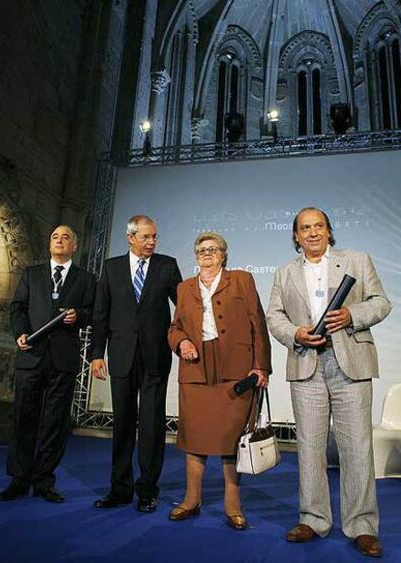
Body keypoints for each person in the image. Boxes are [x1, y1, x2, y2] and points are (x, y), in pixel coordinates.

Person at [266, 207, 392, 557]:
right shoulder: (284, 272)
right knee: (309, 447)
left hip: (350, 363)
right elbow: (274, 315)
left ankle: (362, 525)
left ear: (328, 230)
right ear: (295, 236)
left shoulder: (356, 260)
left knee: (356, 448)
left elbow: (381, 302)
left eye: (318, 226)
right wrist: (296, 333)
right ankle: (313, 518)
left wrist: (353, 315)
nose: (312, 232)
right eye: (304, 228)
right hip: (306, 365)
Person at [168, 232, 272, 530]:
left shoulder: (242, 279)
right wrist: (182, 342)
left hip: (234, 368)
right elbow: (174, 327)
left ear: (223, 254)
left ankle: (232, 502)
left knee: (231, 438)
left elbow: (257, 323)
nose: (207, 254)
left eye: (213, 249)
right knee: (194, 437)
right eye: (201, 250)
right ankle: (191, 499)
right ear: (195, 254)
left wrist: (260, 366)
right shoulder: (184, 287)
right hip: (196, 368)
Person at [0, 225, 96, 503]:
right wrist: (19, 334)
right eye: (55, 236)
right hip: (31, 356)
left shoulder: (86, 279)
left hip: (63, 359)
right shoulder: (31, 274)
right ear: (49, 244)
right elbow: (17, 308)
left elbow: (94, 313)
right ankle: (18, 479)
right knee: (23, 418)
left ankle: (44, 480)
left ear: (75, 246)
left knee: (54, 421)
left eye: (66, 237)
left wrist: (80, 317)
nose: (60, 240)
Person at [91, 215, 182, 513]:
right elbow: (101, 314)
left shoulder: (167, 266)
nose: (152, 242)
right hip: (121, 355)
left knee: (153, 425)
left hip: (156, 356)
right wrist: (95, 354)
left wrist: (184, 341)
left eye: (155, 236)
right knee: (123, 424)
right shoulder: (111, 267)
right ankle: (119, 489)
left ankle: (147, 490)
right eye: (146, 237)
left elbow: (184, 309)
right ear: (130, 237)